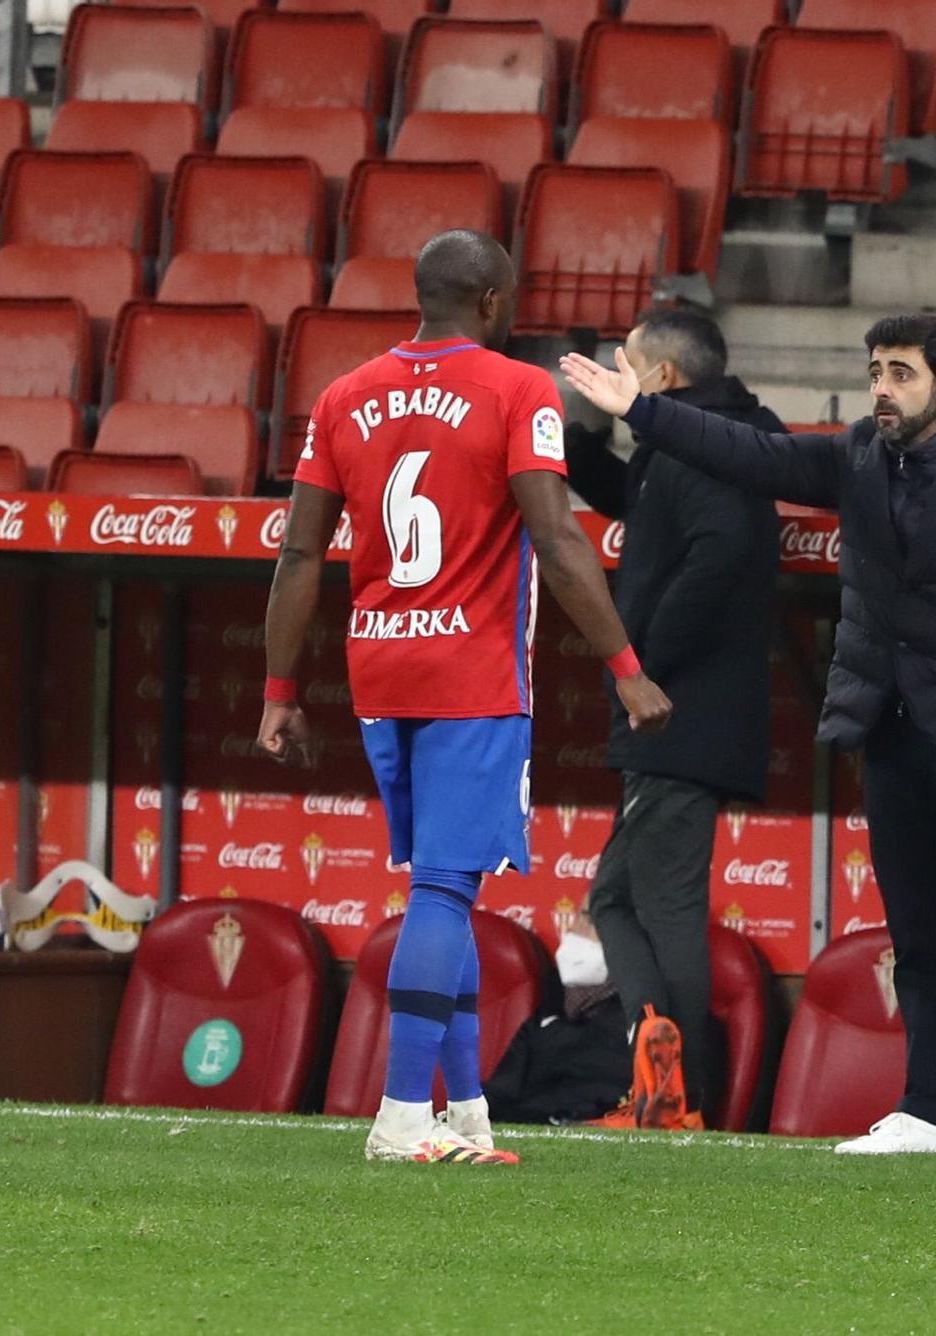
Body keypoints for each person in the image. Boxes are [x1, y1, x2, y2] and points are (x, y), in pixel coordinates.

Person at [561, 313, 936, 1160]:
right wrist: (643, 412)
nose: (883, 386)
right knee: (915, 936)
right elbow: (752, 457)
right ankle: (926, 1109)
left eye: (902, 373)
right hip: (888, 731)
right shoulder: (856, 458)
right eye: (876, 370)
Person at [258, 229, 672, 1165]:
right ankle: (405, 1113)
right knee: (445, 891)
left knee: (443, 887)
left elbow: (297, 554)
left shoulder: (343, 395)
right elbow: (560, 541)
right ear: (491, 303)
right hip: (471, 675)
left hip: (380, 669)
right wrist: (625, 667)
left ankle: (469, 1111)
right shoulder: (516, 387)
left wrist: (281, 686)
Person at [564, 309, 782, 1122]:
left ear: (662, 378)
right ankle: (653, 1057)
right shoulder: (686, 442)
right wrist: (584, 433)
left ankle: (680, 1095)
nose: (620, 371)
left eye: (628, 364)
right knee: (616, 901)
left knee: (664, 903)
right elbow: (641, 502)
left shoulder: (716, 448)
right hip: (671, 715)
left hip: (679, 715)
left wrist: (642, 661)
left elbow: (726, 547)